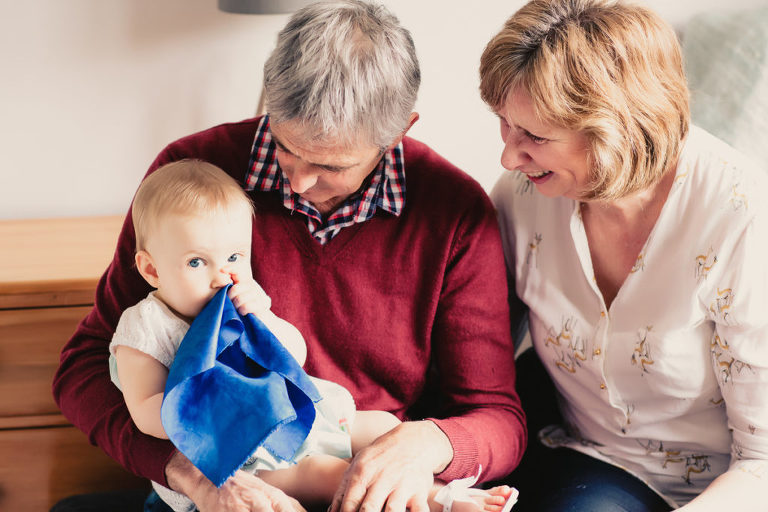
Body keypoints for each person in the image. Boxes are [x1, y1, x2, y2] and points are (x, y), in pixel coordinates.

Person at [52, 1, 526, 511]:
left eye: (330, 164)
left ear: (397, 133)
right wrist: (194, 473)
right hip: (228, 481)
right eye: (284, 147)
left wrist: (421, 446)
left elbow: (495, 415)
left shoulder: (454, 213)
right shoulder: (191, 178)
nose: (296, 182)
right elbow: (85, 368)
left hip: (367, 476)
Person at [480, 0, 768, 510]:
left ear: (616, 132)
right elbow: (475, 354)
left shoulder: (741, 219)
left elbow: (763, 462)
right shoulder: (522, 196)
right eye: (505, 124)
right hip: (584, 455)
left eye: (536, 137)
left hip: (722, 484)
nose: (508, 156)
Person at [110, 159, 516, 512]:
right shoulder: (146, 325)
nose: (221, 274)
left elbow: (293, 353)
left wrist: (263, 315)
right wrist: (224, 402)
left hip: (295, 415)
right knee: (326, 473)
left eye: (234, 257)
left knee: (380, 427)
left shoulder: (242, 302)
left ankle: (447, 488)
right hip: (236, 457)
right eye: (196, 262)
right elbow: (146, 411)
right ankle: (438, 502)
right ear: (151, 270)